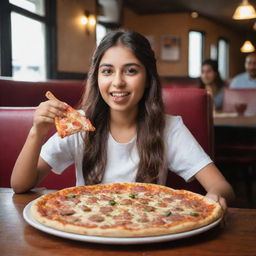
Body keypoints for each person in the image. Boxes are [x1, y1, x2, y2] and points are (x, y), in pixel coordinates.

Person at [11, 30, 234, 211]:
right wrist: (36, 132)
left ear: (147, 79)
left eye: (130, 71)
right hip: (85, 226)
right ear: (96, 77)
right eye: (107, 71)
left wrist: (216, 195)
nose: (118, 82)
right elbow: (20, 185)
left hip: (148, 228)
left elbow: (221, 186)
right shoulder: (79, 125)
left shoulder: (169, 128)